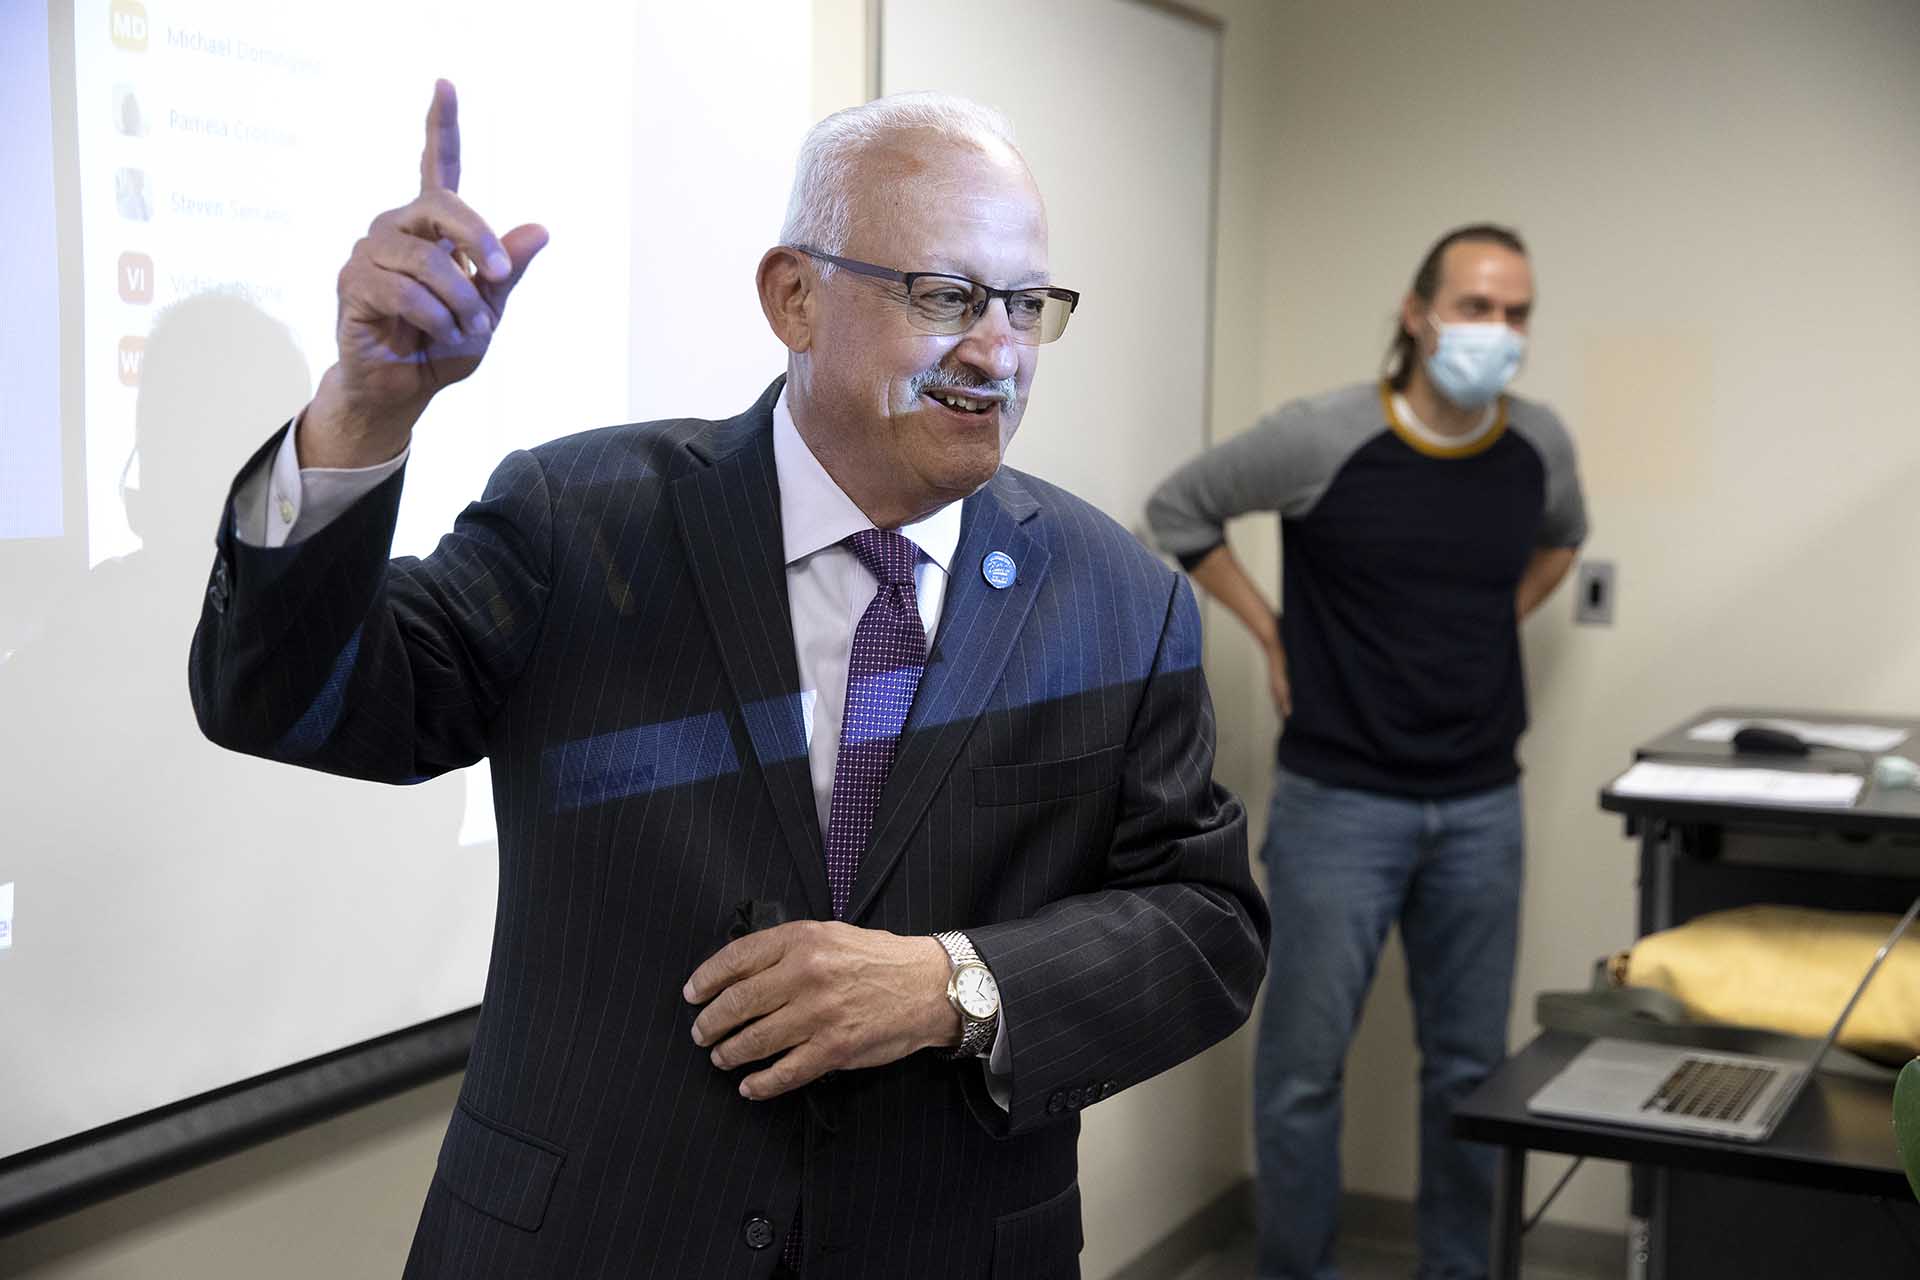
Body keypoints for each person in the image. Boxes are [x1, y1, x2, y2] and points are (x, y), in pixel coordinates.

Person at [189, 82, 1268, 1280]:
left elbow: (1208, 924)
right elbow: (283, 698)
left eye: (1026, 304)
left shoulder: (1120, 597)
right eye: (946, 296)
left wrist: (952, 983)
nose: (996, 351)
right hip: (593, 1240)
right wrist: (364, 409)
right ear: (794, 297)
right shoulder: (580, 523)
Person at [1145, 224, 1587, 1280]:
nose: (1499, 331)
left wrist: (1489, 625)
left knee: (1471, 1071)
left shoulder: (1540, 444)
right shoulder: (1326, 435)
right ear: (1418, 312)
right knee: (1302, 1072)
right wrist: (1271, 628)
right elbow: (1180, 507)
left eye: (1517, 312)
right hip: (1340, 801)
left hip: (1483, 803)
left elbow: (1564, 535)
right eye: (1477, 306)